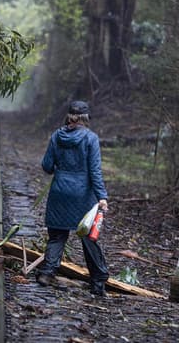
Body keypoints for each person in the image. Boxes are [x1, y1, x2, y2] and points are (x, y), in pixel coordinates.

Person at [36, 100, 110, 296]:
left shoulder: (56, 136)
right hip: (82, 194)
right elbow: (95, 171)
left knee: (57, 235)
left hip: (60, 191)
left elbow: (47, 166)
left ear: (69, 116)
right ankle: (98, 282)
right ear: (86, 118)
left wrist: (61, 169)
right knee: (87, 237)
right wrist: (102, 196)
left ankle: (47, 272)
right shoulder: (91, 138)